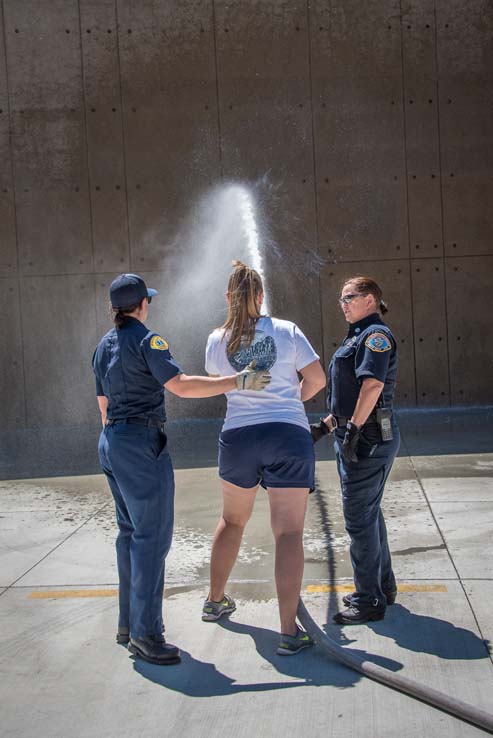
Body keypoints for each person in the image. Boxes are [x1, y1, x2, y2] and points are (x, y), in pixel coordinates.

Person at [92, 273, 270, 666]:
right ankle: (146, 635)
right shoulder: (146, 340)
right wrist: (240, 381)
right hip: (139, 446)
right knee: (151, 541)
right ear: (141, 305)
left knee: (130, 536)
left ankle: (128, 626)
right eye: (147, 300)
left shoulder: (104, 345)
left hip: (112, 443)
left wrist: (119, 444)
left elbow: (103, 403)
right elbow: (182, 385)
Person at [202, 260, 326, 655]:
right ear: (261, 296)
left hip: (237, 437)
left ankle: (215, 600)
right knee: (288, 533)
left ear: (227, 298)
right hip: (287, 436)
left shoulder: (215, 340)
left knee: (232, 520)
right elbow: (318, 380)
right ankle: (289, 633)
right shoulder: (287, 330)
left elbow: (222, 384)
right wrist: (291, 400)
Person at [311, 276, 400, 625]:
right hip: (360, 435)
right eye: (341, 298)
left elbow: (373, 385)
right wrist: (327, 426)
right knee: (370, 514)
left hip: (369, 440)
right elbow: (349, 398)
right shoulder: (358, 335)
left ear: (370, 299)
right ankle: (382, 587)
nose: (343, 304)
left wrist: (355, 431)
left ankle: (368, 601)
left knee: (359, 521)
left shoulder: (375, 337)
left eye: (350, 297)